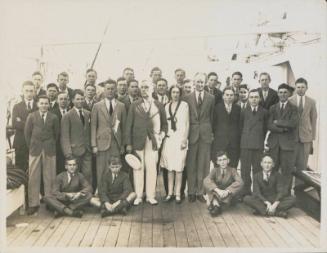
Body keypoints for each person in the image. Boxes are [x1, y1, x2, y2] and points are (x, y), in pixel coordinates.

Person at [125, 79, 168, 205]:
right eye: (142, 87)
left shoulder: (158, 105)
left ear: (152, 88)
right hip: (138, 140)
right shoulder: (135, 105)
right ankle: (138, 195)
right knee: (138, 167)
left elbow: (165, 124)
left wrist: (161, 135)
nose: (144, 90)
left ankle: (150, 196)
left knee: (151, 168)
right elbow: (129, 125)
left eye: (146, 87)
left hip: (153, 141)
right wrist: (128, 143)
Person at [24, 95, 60, 215]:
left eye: (46, 103)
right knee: (33, 176)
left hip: (49, 149)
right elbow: (27, 134)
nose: (44, 105)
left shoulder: (54, 117)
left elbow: (56, 134)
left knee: (50, 176)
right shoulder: (32, 116)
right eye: (42, 103)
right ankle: (33, 204)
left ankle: (50, 202)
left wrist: (49, 144)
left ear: (49, 105)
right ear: (38, 104)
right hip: (35, 150)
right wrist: (33, 146)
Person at [91, 79, 127, 193]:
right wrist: (94, 145)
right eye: (108, 89)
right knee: (101, 169)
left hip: (116, 143)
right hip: (101, 143)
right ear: (104, 90)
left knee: (114, 168)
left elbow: (124, 128)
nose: (110, 91)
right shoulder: (97, 106)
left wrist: (123, 145)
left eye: (112, 89)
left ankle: (113, 192)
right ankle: (101, 192)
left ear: (115, 89)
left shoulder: (121, 106)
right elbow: (93, 126)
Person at [184, 72, 215, 203]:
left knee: (204, 165)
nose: (200, 84)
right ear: (194, 83)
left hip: (205, 135)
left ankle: (200, 192)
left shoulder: (211, 98)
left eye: (202, 82)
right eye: (198, 82)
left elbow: (212, 117)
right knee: (191, 164)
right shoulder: (186, 98)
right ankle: (191, 191)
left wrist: (210, 133)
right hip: (192, 134)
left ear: (206, 83)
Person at [266, 83, 299, 193]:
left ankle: (285, 196)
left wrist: (278, 122)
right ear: (277, 93)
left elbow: (293, 124)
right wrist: (283, 129)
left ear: (289, 94)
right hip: (274, 144)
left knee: (286, 171)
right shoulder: (272, 108)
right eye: (280, 92)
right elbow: (269, 125)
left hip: (287, 146)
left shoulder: (294, 108)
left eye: (285, 92)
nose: (283, 94)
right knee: (272, 170)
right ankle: (272, 194)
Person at [160, 86, 189, 204]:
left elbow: (187, 124)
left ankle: (178, 194)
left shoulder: (184, 105)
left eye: (177, 92)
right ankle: (169, 193)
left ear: (180, 93)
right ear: (170, 93)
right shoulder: (166, 106)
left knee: (179, 168)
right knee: (169, 168)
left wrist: (184, 139)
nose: (175, 94)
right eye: (173, 92)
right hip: (169, 139)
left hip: (180, 139)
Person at [240, 89, 268, 198]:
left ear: (260, 99)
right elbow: (240, 128)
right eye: (251, 97)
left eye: (256, 97)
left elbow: (265, 129)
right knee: (245, 170)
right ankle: (245, 192)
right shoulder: (243, 111)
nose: (254, 99)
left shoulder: (264, 112)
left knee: (257, 170)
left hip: (258, 145)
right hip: (245, 145)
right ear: (248, 98)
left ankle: (257, 193)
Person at [61, 89, 92, 185]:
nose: (80, 101)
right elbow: (64, 136)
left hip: (87, 150)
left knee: (88, 174)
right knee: (74, 175)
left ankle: (87, 195)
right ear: (72, 100)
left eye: (82, 99)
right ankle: (74, 196)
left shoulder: (88, 113)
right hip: (74, 151)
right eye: (78, 99)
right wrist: (68, 153)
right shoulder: (67, 116)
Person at [289, 78, 317, 174]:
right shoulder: (289, 100)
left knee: (303, 165)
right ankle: (288, 188)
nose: (300, 89)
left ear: (306, 88)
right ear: (295, 88)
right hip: (292, 138)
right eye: (298, 87)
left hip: (306, 138)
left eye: (302, 87)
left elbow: (313, 120)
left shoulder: (312, 102)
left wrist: (312, 139)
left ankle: (299, 188)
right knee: (290, 164)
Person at [203, 151, 243, 217]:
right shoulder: (215, 170)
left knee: (212, 192)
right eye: (220, 160)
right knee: (209, 183)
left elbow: (240, 182)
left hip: (228, 196)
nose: (222, 162)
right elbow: (206, 180)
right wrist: (218, 190)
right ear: (217, 162)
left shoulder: (232, 170)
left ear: (228, 160)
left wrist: (227, 191)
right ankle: (216, 206)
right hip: (218, 192)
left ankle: (214, 203)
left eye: (224, 159)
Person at [212, 87, 241, 168]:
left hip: (234, 145)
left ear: (234, 96)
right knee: (218, 168)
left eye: (231, 95)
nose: (229, 97)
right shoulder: (216, 108)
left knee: (232, 167)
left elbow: (239, 126)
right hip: (220, 144)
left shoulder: (238, 109)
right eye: (227, 95)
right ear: (223, 96)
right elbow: (213, 125)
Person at [12, 81, 37, 172]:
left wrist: (22, 121)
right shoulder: (17, 107)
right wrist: (32, 124)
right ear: (22, 91)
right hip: (20, 143)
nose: (29, 93)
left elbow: (41, 124)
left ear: (34, 92)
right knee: (20, 170)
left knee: (35, 170)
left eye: (31, 91)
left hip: (35, 143)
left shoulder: (39, 106)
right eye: (26, 91)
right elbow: (15, 124)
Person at [52, 92, 70, 174]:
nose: (63, 101)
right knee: (58, 168)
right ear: (57, 100)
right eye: (61, 99)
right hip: (57, 145)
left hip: (70, 145)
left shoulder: (72, 112)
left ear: (68, 101)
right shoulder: (52, 113)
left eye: (65, 99)